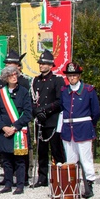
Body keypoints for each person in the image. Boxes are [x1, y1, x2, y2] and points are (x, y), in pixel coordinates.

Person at [60, 61, 100, 199]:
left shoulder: (88, 90)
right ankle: (71, 185)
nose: (72, 78)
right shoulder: (64, 91)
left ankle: (89, 185)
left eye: (74, 75)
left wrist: (90, 125)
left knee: (86, 158)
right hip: (68, 128)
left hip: (83, 128)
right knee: (70, 159)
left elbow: (96, 112)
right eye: (69, 75)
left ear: (79, 76)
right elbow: (62, 108)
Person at [0, 65, 32, 194]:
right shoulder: (1, 93)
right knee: (6, 159)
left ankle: (20, 185)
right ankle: (8, 184)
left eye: (15, 74)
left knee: (20, 160)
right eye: (11, 75)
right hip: (4, 131)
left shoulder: (24, 92)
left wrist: (14, 127)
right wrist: (4, 127)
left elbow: (28, 113)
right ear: (6, 78)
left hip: (18, 131)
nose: (14, 77)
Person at [30, 49, 66, 188]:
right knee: (42, 151)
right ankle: (42, 177)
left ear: (51, 65)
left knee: (57, 151)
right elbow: (33, 99)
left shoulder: (57, 80)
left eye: (44, 63)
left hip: (52, 120)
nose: (41, 65)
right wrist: (36, 112)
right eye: (40, 63)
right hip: (40, 121)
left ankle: (61, 177)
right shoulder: (36, 80)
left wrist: (45, 110)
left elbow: (59, 101)